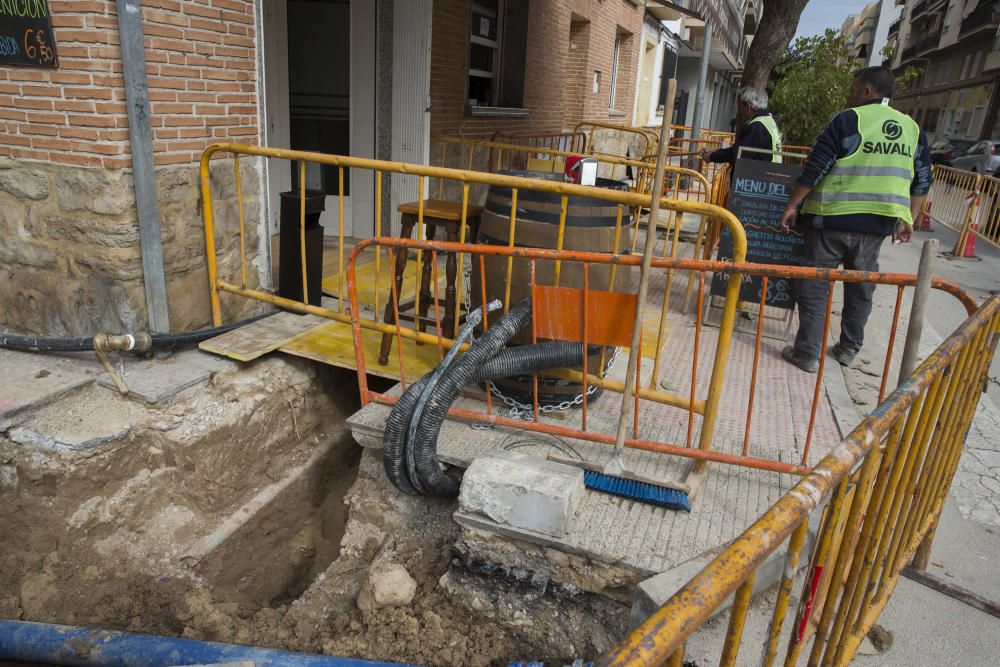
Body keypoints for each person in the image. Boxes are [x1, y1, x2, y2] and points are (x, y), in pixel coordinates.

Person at [777, 66, 931, 373]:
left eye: (853, 88)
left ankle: (807, 354)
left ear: (867, 92)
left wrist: (792, 205)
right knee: (861, 286)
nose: (849, 95)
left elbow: (816, 167)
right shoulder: (912, 129)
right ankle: (848, 349)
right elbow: (922, 181)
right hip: (876, 227)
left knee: (815, 286)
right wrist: (908, 218)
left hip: (831, 220)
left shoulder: (849, 119)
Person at [700, 87, 783, 169]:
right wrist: (715, 152)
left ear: (748, 107)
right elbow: (741, 149)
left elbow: (736, 154)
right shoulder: (768, 120)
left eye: (741, 107)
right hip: (769, 175)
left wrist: (711, 157)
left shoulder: (757, 126)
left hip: (759, 176)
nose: (740, 111)